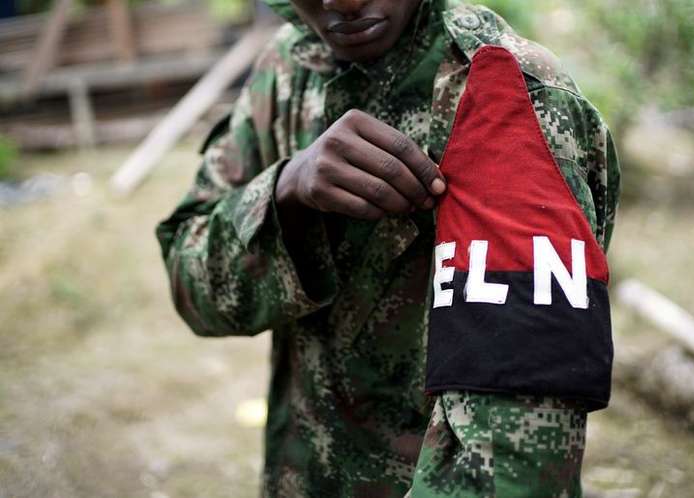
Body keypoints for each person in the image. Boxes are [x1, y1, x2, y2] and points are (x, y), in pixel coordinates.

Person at [155, 0, 620, 497]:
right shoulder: (288, 67)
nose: (347, 2)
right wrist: (285, 191)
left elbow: (515, 462)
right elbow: (194, 290)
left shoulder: (503, 91)